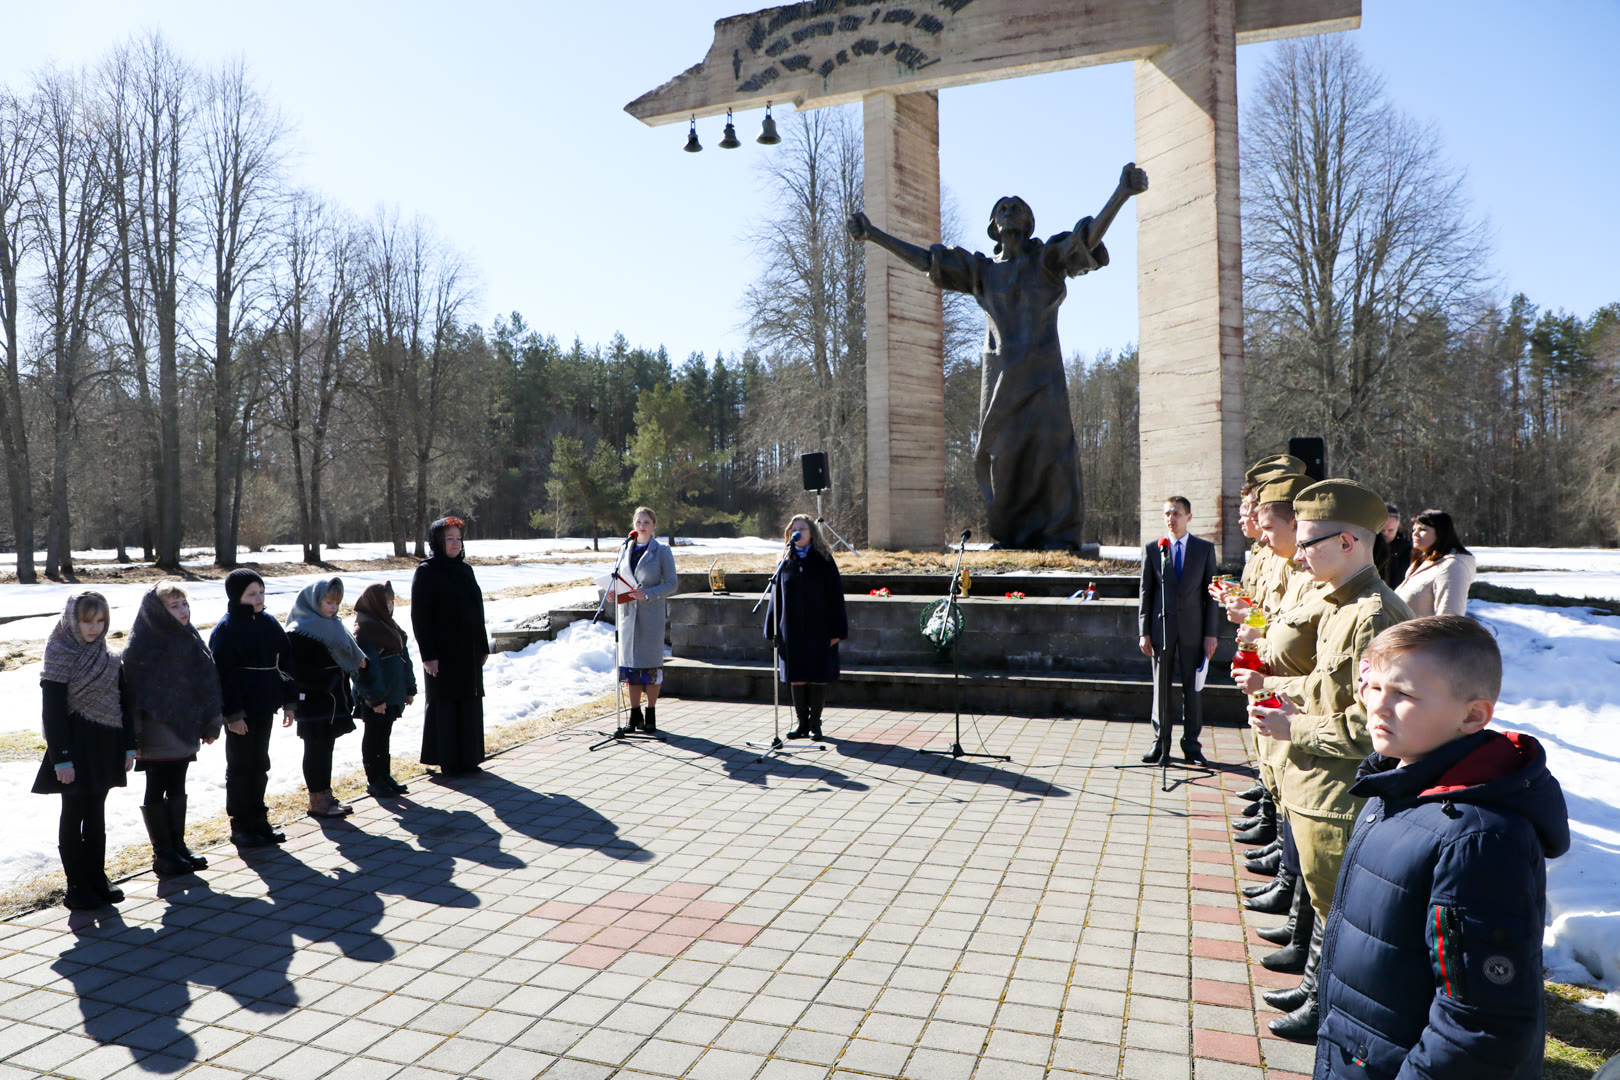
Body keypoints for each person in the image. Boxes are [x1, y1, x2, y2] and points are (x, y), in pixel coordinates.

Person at [1313, 616, 1568, 1078]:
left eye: (1404, 695)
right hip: (1362, 1052)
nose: (1377, 707)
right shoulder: (1400, 787)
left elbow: (1479, 1024)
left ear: (1473, 715)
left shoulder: (1480, 840)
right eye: (1374, 686)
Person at [847, 164, 1148, 549]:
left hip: (1044, 382)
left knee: (1054, 458)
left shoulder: (1047, 261)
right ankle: (1011, 536)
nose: (1008, 209)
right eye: (1001, 207)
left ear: (1028, 223)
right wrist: (873, 235)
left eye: (1016, 206)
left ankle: (1059, 537)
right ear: (993, 226)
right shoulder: (983, 273)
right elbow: (928, 261)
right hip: (1002, 382)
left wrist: (1120, 194)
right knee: (1001, 459)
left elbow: (1084, 239)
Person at [1246, 479, 1415, 1041]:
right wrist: (1277, 686)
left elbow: (1373, 727)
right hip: (1318, 782)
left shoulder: (1374, 615)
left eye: (1311, 540)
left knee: (1338, 910)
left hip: (1341, 791)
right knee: (1324, 903)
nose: (1298, 552)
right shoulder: (1342, 605)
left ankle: (1328, 1009)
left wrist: (1290, 725)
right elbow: (1327, 687)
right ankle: (1317, 992)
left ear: (1348, 543)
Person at [32, 593, 135, 910]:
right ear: (71, 620)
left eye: (100, 621)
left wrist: (129, 746)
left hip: (106, 745)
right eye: (86, 621)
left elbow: (124, 702)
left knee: (96, 816)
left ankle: (97, 878)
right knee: (73, 813)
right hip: (73, 748)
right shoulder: (60, 653)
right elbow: (53, 712)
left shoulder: (109, 656)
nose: (94, 628)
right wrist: (61, 758)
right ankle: (76, 886)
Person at [123, 583, 224, 877]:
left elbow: (206, 681)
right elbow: (133, 697)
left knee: (178, 785)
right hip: (155, 732)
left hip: (185, 727)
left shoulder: (190, 636)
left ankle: (178, 845)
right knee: (156, 786)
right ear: (157, 611)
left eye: (184, 604)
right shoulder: (143, 642)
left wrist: (209, 721)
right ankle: (162, 853)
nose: (182, 610)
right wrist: (135, 737)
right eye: (174, 605)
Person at [209, 568, 297, 847]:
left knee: (260, 764)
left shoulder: (269, 623)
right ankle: (241, 824)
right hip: (241, 711)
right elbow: (222, 675)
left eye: (261, 592)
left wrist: (289, 701)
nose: (259, 598)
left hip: (264, 705)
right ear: (237, 597)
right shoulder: (227, 628)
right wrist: (232, 714)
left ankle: (259, 820)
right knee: (240, 766)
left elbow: (286, 662)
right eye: (251, 594)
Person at [1137, 496, 1219, 765]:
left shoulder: (1204, 549)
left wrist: (1211, 634)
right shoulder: (1153, 549)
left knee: (1192, 691)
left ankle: (1192, 747)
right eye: (1167, 514)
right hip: (1162, 631)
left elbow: (1211, 596)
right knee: (1160, 690)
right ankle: (1161, 744)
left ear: (1189, 517)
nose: (1171, 518)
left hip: (1194, 633)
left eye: (1177, 514)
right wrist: (1144, 631)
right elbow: (1146, 594)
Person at [411, 515, 490, 776]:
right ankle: (448, 761)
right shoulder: (426, 571)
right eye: (449, 539)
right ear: (437, 541)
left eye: (458, 539)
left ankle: (469, 758)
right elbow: (420, 617)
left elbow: (477, 610)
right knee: (445, 704)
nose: (455, 544)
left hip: (468, 651)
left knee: (469, 701)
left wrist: (483, 646)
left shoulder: (465, 569)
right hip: (442, 653)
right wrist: (428, 655)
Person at [764, 515, 849, 740]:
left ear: (812, 532)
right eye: (794, 528)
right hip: (791, 630)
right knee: (797, 675)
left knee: (818, 674)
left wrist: (837, 630)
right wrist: (771, 628)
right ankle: (801, 723)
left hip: (819, 628)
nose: (798, 531)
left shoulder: (824, 559)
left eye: (802, 528)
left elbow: (836, 597)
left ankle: (815, 723)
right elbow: (776, 597)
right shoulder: (786, 560)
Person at [286, 578, 365, 817]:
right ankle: (317, 800)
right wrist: (327, 681)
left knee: (326, 748)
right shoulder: (299, 630)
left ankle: (325, 795)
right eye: (328, 601)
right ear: (313, 600)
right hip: (313, 701)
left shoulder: (333, 624)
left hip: (333, 700)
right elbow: (295, 671)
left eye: (336, 602)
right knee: (316, 748)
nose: (333, 607)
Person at [613, 507, 679, 735]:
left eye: (647, 522)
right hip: (628, 616)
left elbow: (672, 583)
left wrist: (648, 593)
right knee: (630, 667)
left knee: (650, 667)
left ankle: (650, 713)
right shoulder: (624, 549)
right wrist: (612, 592)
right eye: (638, 521)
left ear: (653, 525)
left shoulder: (661, 551)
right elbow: (619, 579)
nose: (641, 526)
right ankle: (634, 714)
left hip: (650, 615)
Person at [350, 582, 417, 796]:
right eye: (384, 602)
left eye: (391, 602)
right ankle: (374, 779)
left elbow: (404, 658)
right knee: (374, 735)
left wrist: (409, 687)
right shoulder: (366, 628)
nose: (389, 607)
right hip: (375, 696)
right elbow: (365, 669)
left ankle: (384, 775)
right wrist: (375, 698)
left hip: (392, 691)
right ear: (373, 603)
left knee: (384, 734)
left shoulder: (389, 625)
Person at [1397, 509, 1476, 617]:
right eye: (1413, 529)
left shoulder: (1452, 567)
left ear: (1441, 532)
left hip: (1426, 634)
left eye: (1423, 529)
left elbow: (1449, 620)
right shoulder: (1421, 563)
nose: (1415, 534)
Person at [1379, 503, 1412, 589]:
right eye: (1382, 530)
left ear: (1398, 526)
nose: (1386, 534)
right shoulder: (1367, 548)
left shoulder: (1407, 550)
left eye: (1390, 530)